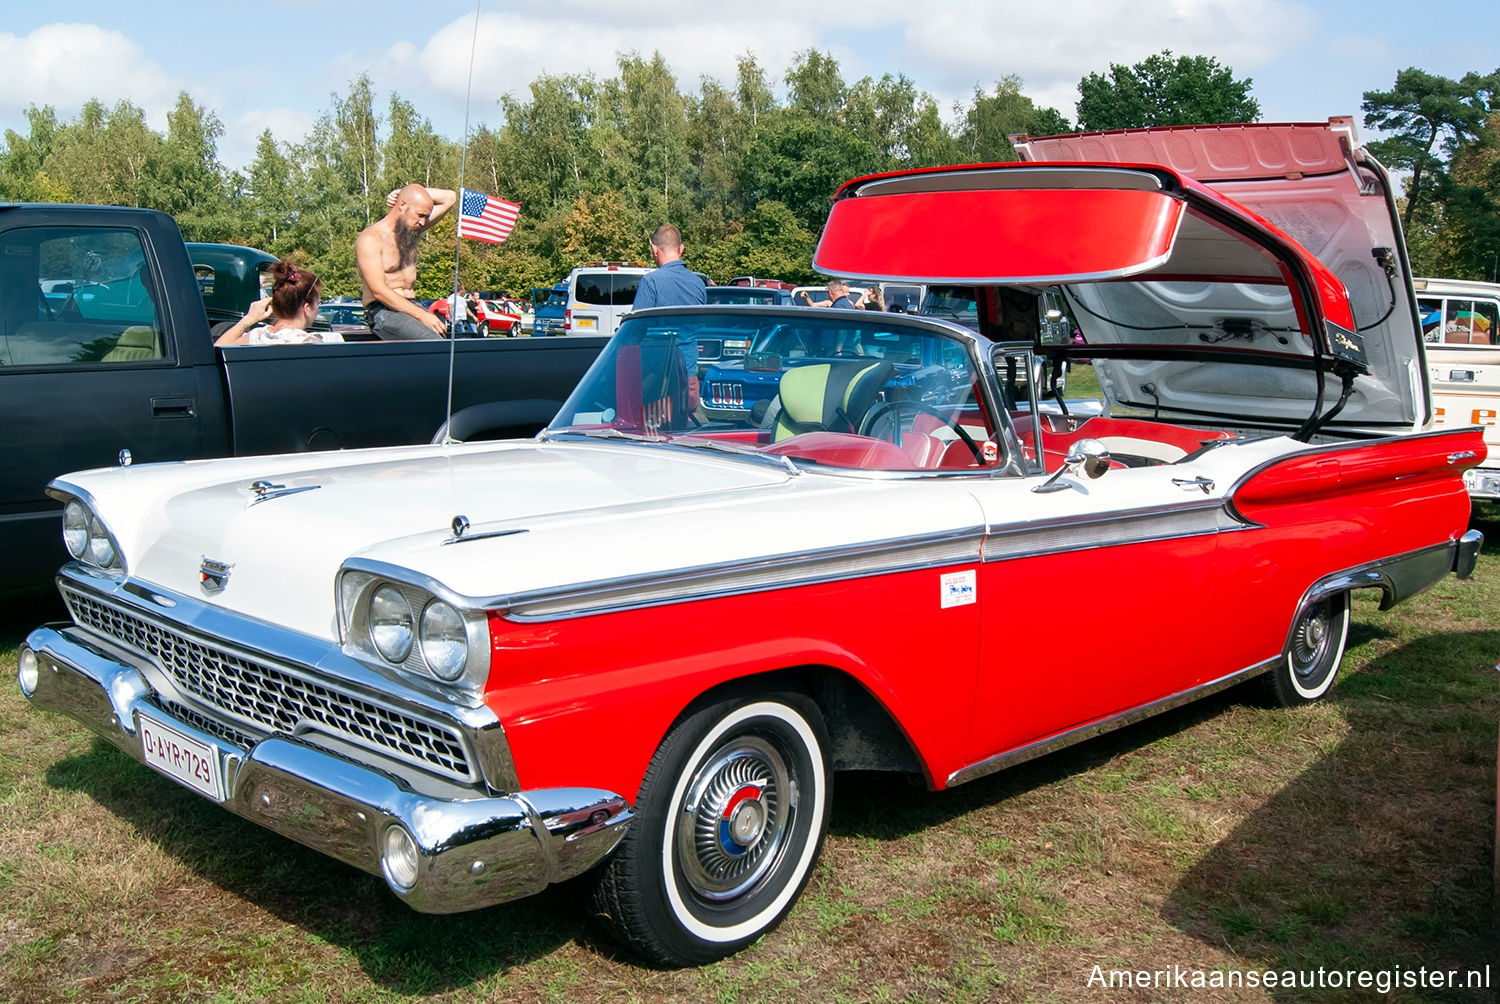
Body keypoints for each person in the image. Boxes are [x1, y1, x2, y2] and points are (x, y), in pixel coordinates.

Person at [356, 183, 457, 340]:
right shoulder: (370, 239)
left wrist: (400, 192)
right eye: (420, 215)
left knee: (452, 341)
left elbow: (449, 197)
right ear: (402, 205)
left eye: (425, 216)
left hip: (411, 305)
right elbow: (378, 290)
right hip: (382, 310)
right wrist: (423, 316)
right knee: (432, 341)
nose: (423, 222)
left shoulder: (411, 231)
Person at [633, 224, 707, 406]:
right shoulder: (698, 283)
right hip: (688, 375)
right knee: (685, 428)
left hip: (656, 378)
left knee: (654, 429)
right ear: (681, 249)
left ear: (654, 249)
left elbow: (636, 329)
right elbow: (700, 325)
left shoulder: (651, 282)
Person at [214, 260, 339, 345]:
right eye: (317, 303)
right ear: (307, 308)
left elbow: (217, 350)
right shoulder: (309, 343)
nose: (317, 309)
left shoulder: (257, 336)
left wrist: (248, 319)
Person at [799, 279, 864, 310]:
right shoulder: (845, 303)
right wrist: (807, 297)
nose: (848, 294)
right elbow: (813, 305)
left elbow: (841, 330)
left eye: (848, 292)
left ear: (830, 292)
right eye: (846, 291)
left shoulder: (839, 306)